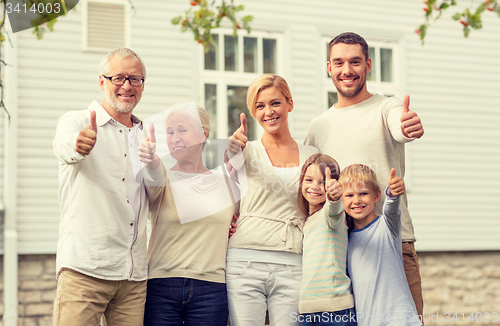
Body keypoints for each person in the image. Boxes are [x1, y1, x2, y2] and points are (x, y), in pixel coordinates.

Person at [304, 32, 424, 317]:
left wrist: (408, 126)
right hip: (340, 252)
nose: (347, 70)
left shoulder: (387, 107)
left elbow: (400, 126)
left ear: (368, 65)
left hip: (393, 244)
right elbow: (309, 189)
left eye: (355, 62)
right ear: (329, 67)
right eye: (339, 62)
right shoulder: (317, 127)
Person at [52, 48, 148, 326]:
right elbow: (65, 147)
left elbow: (164, 192)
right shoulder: (76, 122)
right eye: (118, 78)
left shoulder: (147, 135)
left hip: (133, 278)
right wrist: (79, 145)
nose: (127, 86)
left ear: (143, 85)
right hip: (85, 270)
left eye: (135, 79)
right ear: (101, 81)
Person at [226, 74, 319, 326]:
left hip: (293, 262)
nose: (269, 112)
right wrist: (231, 152)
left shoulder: (313, 155)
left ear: (290, 103)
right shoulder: (243, 151)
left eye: (275, 103)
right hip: (244, 262)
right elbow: (223, 184)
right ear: (253, 112)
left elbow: (318, 209)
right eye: (260, 106)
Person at [138, 102, 239, 326]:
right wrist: (151, 159)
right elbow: (153, 175)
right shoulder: (162, 176)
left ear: (203, 134)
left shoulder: (228, 183)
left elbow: (243, 222)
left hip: (211, 290)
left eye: (182, 130)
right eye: (170, 132)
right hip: (161, 288)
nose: (175, 138)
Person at [339, 164, 422, 326]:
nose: (357, 200)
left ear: (377, 196)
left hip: (399, 320)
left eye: (363, 193)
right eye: (349, 195)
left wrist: (392, 194)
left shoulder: (387, 226)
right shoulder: (346, 239)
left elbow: (392, 210)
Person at [295, 154, 356, 326]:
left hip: (336, 312)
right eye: (309, 180)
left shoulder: (333, 216)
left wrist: (334, 197)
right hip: (308, 312)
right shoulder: (307, 221)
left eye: (322, 182)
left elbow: (333, 209)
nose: (315, 187)